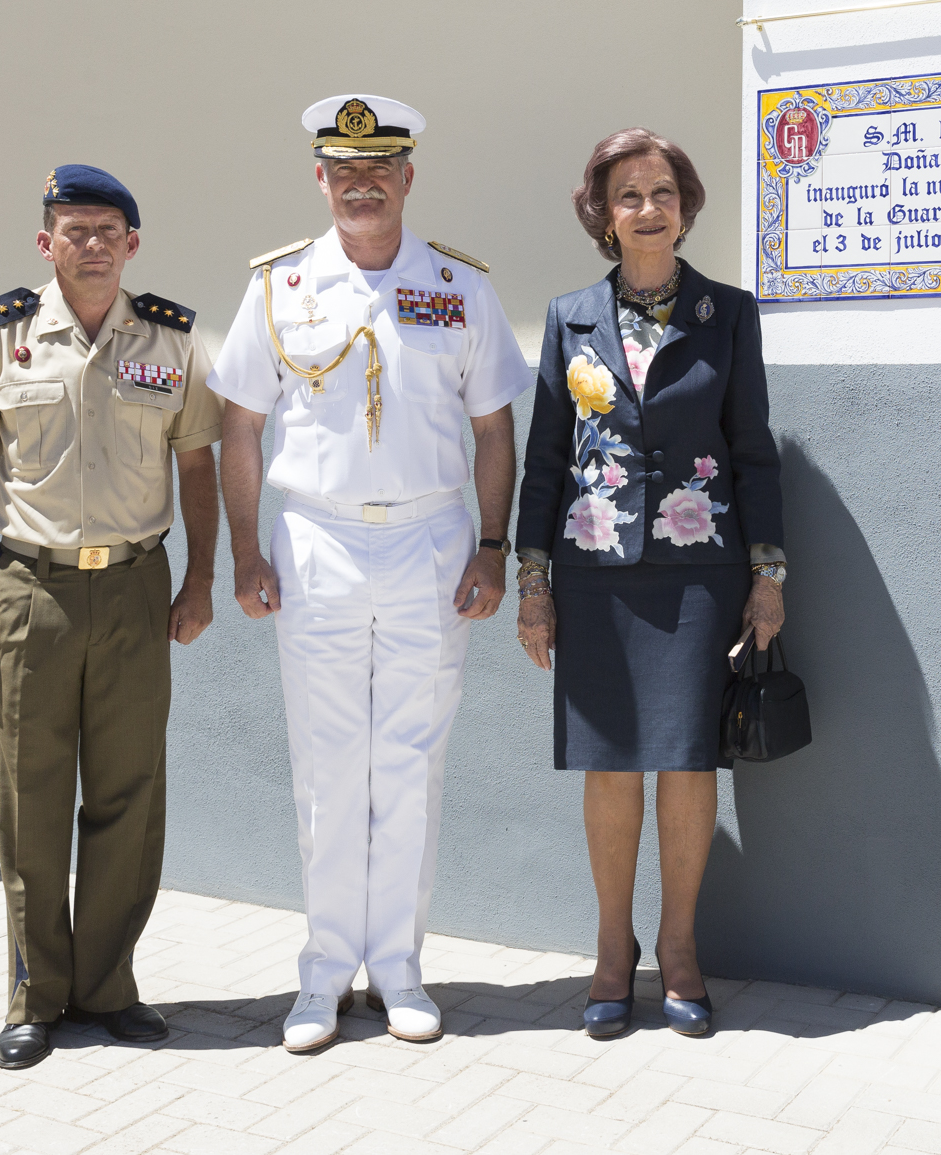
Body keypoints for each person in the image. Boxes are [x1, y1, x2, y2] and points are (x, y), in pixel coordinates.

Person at [210, 95, 528, 1053]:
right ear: (321, 179)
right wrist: (246, 548)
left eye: (379, 167)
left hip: (432, 542)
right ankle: (323, 972)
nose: (361, 183)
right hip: (318, 543)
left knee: (411, 764)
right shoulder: (278, 285)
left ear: (406, 177)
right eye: (343, 169)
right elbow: (241, 425)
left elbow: (493, 428)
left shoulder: (460, 287)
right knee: (327, 763)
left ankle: (397, 965)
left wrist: (490, 544)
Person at [0, 165, 223, 1070]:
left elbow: (200, 470)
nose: (91, 242)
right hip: (31, 588)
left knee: (129, 794)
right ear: (45, 241)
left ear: (132, 245)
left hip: (138, 584)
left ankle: (108, 986)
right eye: (73, 227)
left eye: (108, 230)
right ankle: (35, 994)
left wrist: (200, 580)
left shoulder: (171, 339)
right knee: (32, 797)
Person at [514, 128, 785, 1039]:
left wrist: (767, 577)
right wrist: (534, 581)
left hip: (699, 571)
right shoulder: (568, 317)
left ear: (686, 204)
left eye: (662, 190)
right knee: (608, 766)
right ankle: (609, 949)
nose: (647, 208)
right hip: (594, 572)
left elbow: (754, 454)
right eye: (627, 194)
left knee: (686, 760)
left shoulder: (729, 315)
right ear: (602, 212)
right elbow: (545, 457)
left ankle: (677, 949)